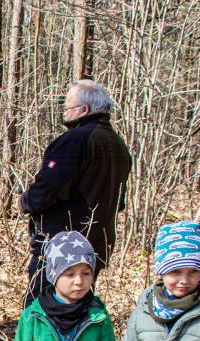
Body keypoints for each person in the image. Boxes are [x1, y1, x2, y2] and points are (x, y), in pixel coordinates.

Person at [18, 80, 132, 307]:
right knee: (77, 311)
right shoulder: (119, 145)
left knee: (40, 313)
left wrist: (24, 202)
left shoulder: (74, 140)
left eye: (68, 107)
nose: (65, 112)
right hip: (94, 248)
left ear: (84, 110)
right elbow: (119, 202)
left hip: (62, 248)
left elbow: (46, 190)